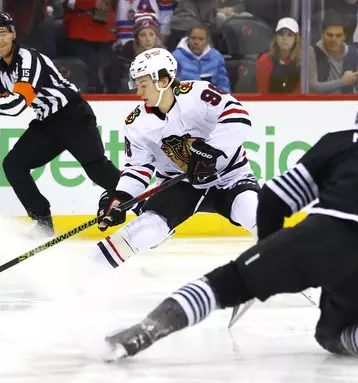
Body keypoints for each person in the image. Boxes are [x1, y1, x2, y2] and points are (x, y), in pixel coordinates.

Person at [103, 86, 358, 363]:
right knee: (335, 334)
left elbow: (276, 198)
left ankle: (144, 331)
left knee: (228, 282)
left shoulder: (343, 141)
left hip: (328, 233)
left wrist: (269, 252)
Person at [0, 12, 120, 237]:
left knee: (97, 168)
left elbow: (15, 106)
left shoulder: (28, 60)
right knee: (14, 165)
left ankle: (147, 206)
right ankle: (43, 225)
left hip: (73, 116)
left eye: (3, 33)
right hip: (47, 121)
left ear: (13, 34)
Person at [92, 48, 259, 272]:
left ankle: (301, 269)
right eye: (137, 85)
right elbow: (138, 168)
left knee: (255, 212)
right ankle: (84, 276)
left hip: (228, 176)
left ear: (163, 81)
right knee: (143, 230)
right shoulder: (136, 123)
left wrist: (211, 151)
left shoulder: (198, 94)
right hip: (181, 184)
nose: (138, 91)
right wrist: (121, 197)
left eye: (143, 84)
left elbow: (238, 116)